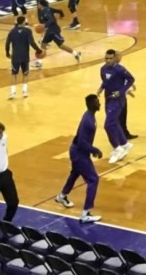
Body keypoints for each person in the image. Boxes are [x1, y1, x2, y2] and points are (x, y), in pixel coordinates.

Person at [54, 94, 104, 223]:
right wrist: (95, 150)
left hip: (79, 151)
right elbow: (82, 142)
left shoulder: (90, 116)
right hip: (79, 153)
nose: (100, 104)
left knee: (75, 173)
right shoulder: (88, 120)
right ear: (91, 104)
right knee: (93, 179)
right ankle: (85, 213)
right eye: (97, 102)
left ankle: (62, 196)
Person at [97, 49, 134, 163]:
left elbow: (131, 79)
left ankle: (117, 148)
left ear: (114, 58)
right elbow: (106, 81)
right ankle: (125, 144)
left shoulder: (119, 69)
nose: (108, 60)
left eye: (110, 58)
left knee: (108, 125)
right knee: (115, 123)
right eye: (106, 58)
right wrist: (101, 88)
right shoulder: (103, 69)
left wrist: (122, 91)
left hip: (118, 100)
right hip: (108, 99)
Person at [35, 0, 83, 64]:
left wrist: (44, 25)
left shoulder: (45, 11)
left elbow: (51, 20)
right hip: (49, 30)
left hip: (53, 30)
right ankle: (39, 63)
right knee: (43, 45)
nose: (37, 5)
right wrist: (61, 15)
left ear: (40, 5)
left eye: (38, 4)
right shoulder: (48, 8)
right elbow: (59, 10)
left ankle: (76, 53)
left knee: (61, 46)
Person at [5, 15, 41, 99]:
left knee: (14, 74)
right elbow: (32, 43)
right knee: (25, 74)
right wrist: (38, 50)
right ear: (24, 22)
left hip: (15, 56)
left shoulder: (12, 31)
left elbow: (7, 44)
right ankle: (24, 92)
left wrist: (7, 53)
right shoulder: (28, 31)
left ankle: (13, 93)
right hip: (24, 56)